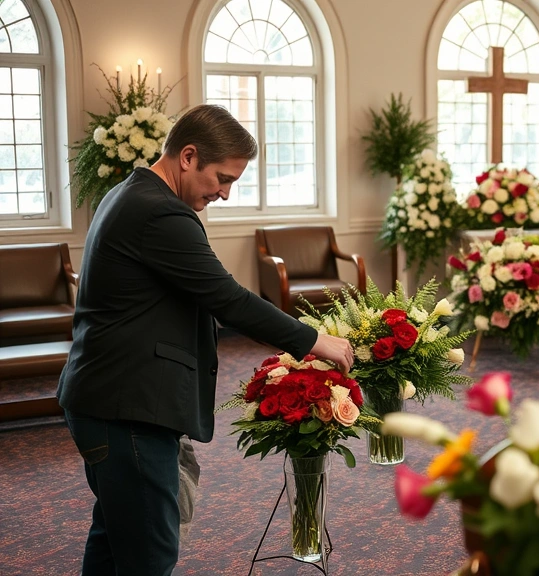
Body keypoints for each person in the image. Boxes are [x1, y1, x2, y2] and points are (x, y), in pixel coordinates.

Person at [57, 104, 355, 576]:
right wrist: (315, 340)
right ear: (188, 156)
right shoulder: (159, 212)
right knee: (149, 555)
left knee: (117, 542)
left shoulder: (133, 194)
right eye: (223, 178)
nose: (225, 192)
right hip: (124, 407)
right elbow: (228, 299)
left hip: (109, 398)